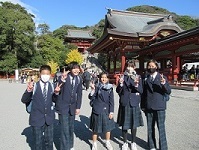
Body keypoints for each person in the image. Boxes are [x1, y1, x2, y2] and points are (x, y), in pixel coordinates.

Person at [21, 65, 58, 150]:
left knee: (49, 142)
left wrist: (56, 93)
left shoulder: (52, 86)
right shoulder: (35, 86)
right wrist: (29, 90)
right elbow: (24, 100)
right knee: (38, 142)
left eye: (48, 74)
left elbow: (55, 101)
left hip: (49, 118)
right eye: (44, 74)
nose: (46, 76)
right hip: (36, 118)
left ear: (50, 74)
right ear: (40, 74)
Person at [141, 59, 171, 150]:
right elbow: (143, 94)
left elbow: (169, 91)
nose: (151, 68)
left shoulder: (162, 77)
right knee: (150, 127)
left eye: (153, 66)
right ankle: (152, 146)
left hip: (159, 106)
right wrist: (142, 106)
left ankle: (163, 147)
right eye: (149, 66)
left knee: (161, 128)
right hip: (149, 106)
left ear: (156, 67)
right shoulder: (146, 78)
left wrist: (163, 84)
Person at [54, 61, 82, 150]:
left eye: (77, 68)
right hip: (63, 106)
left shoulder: (79, 79)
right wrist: (62, 79)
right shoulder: (64, 77)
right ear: (70, 69)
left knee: (71, 128)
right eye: (74, 68)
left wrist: (78, 107)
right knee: (64, 129)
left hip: (72, 107)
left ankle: (70, 146)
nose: (76, 70)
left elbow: (80, 94)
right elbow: (58, 87)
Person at [116, 60, 144, 150]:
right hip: (125, 102)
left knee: (133, 124)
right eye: (128, 66)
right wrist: (120, 84)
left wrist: (136, 85)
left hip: (134, 102)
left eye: (131, 66)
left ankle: (133, 142)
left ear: (134, 67)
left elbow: (141, 90)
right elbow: (118, 91)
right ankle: (124, 142)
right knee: (125, 124)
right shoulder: (123, 77)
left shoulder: (138, 77)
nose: (129, 68)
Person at [89, 72, 115, 150]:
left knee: (108, 128)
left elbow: (111, 101)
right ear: (100, 78)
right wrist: (92, 90)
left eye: (105, 77)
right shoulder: (97, 86)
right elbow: (91, 97)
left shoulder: (110, 87)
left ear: (108, 78)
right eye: (102, 77)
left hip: (106, 110)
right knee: (95, 128)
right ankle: (94, 143)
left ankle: (107, 142)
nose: (104, 79)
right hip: (97, 109)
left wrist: (111, 111)